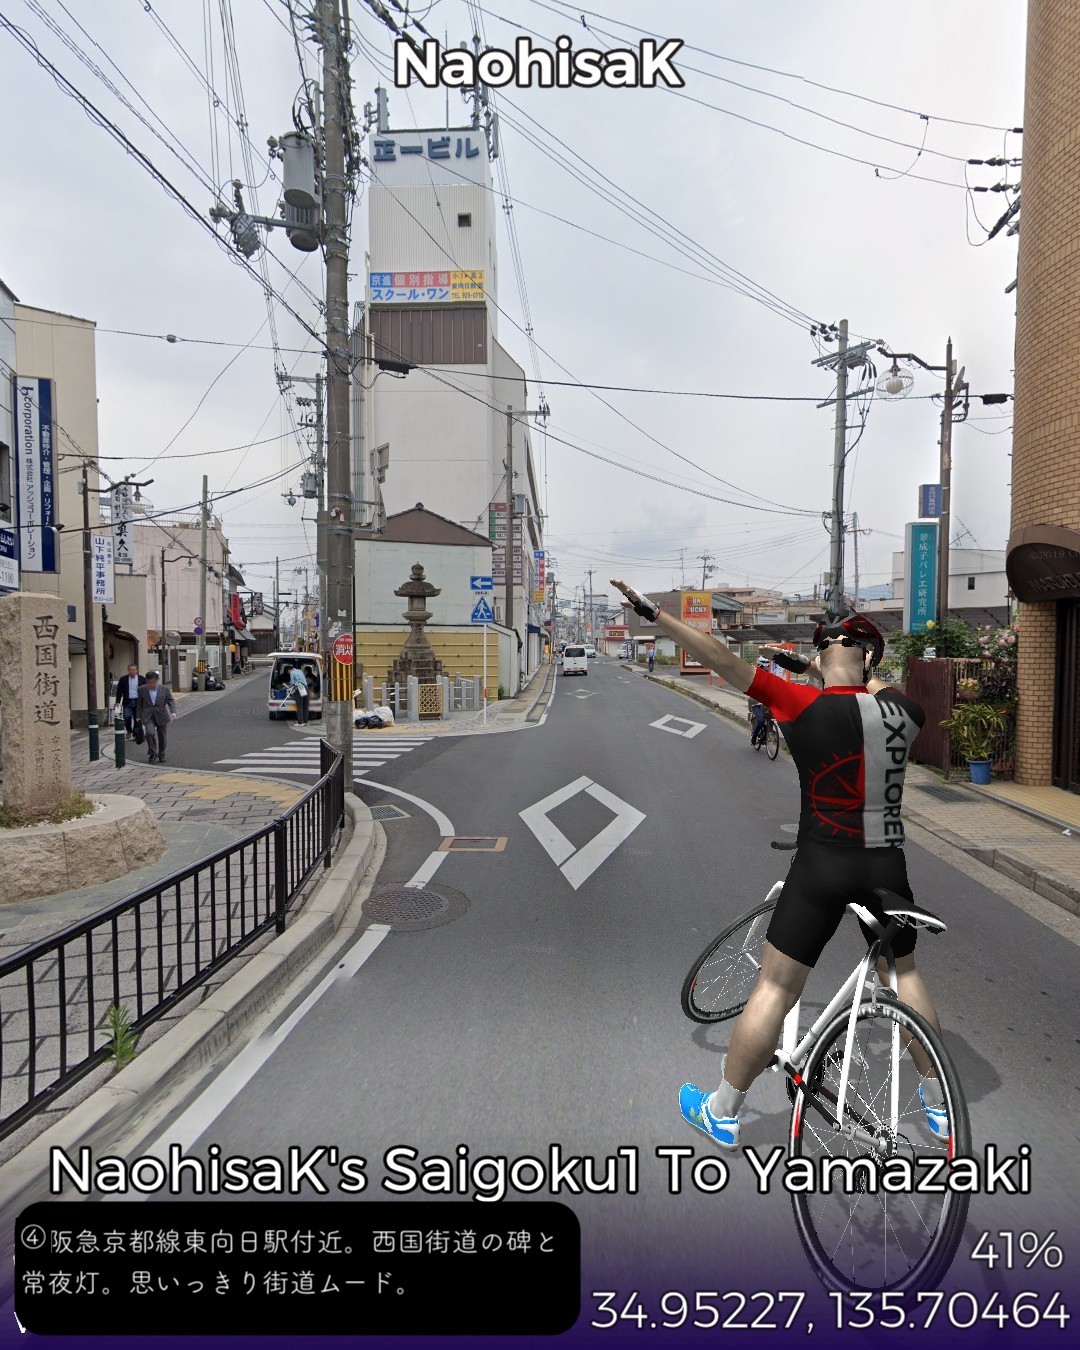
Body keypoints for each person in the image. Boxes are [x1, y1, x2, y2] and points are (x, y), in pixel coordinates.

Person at [609, 577, 948, 1150]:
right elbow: (868, 692)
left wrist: (655, 615)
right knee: (904, 976)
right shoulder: (905, 711)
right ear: (869, 659)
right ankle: (939, 1107)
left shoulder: (798, 703)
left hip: (821, 865)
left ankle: (723, 1111)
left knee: (775, 987)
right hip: (886, 867)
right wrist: (837, 666)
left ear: (821, 658)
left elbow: (720, 658)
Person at [136, 670, 177, 763]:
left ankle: (161, 754)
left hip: (161, 715)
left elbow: (171, 701)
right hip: (148, 715)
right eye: (149, 682)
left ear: (157, 680)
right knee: (149, 733)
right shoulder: (141, 689)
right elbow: (139, 703)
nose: (151, 684)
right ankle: (153, 753)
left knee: (162, 736)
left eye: (153, 682)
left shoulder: (164, 689)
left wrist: (173, 713)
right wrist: (138, 716)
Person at [113, 664, 145, 738]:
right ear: (128, 670)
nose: (131, 671)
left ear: (136, 670)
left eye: (133, 670)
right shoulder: (123, 679)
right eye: (130, 670)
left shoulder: (142, 679)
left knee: (137, 718)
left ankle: (136, 733)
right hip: (128, 701)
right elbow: (119, 691)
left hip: (138, 701)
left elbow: (146, 690)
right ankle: (129, 730)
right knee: (127, 717)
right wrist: (117, 701)